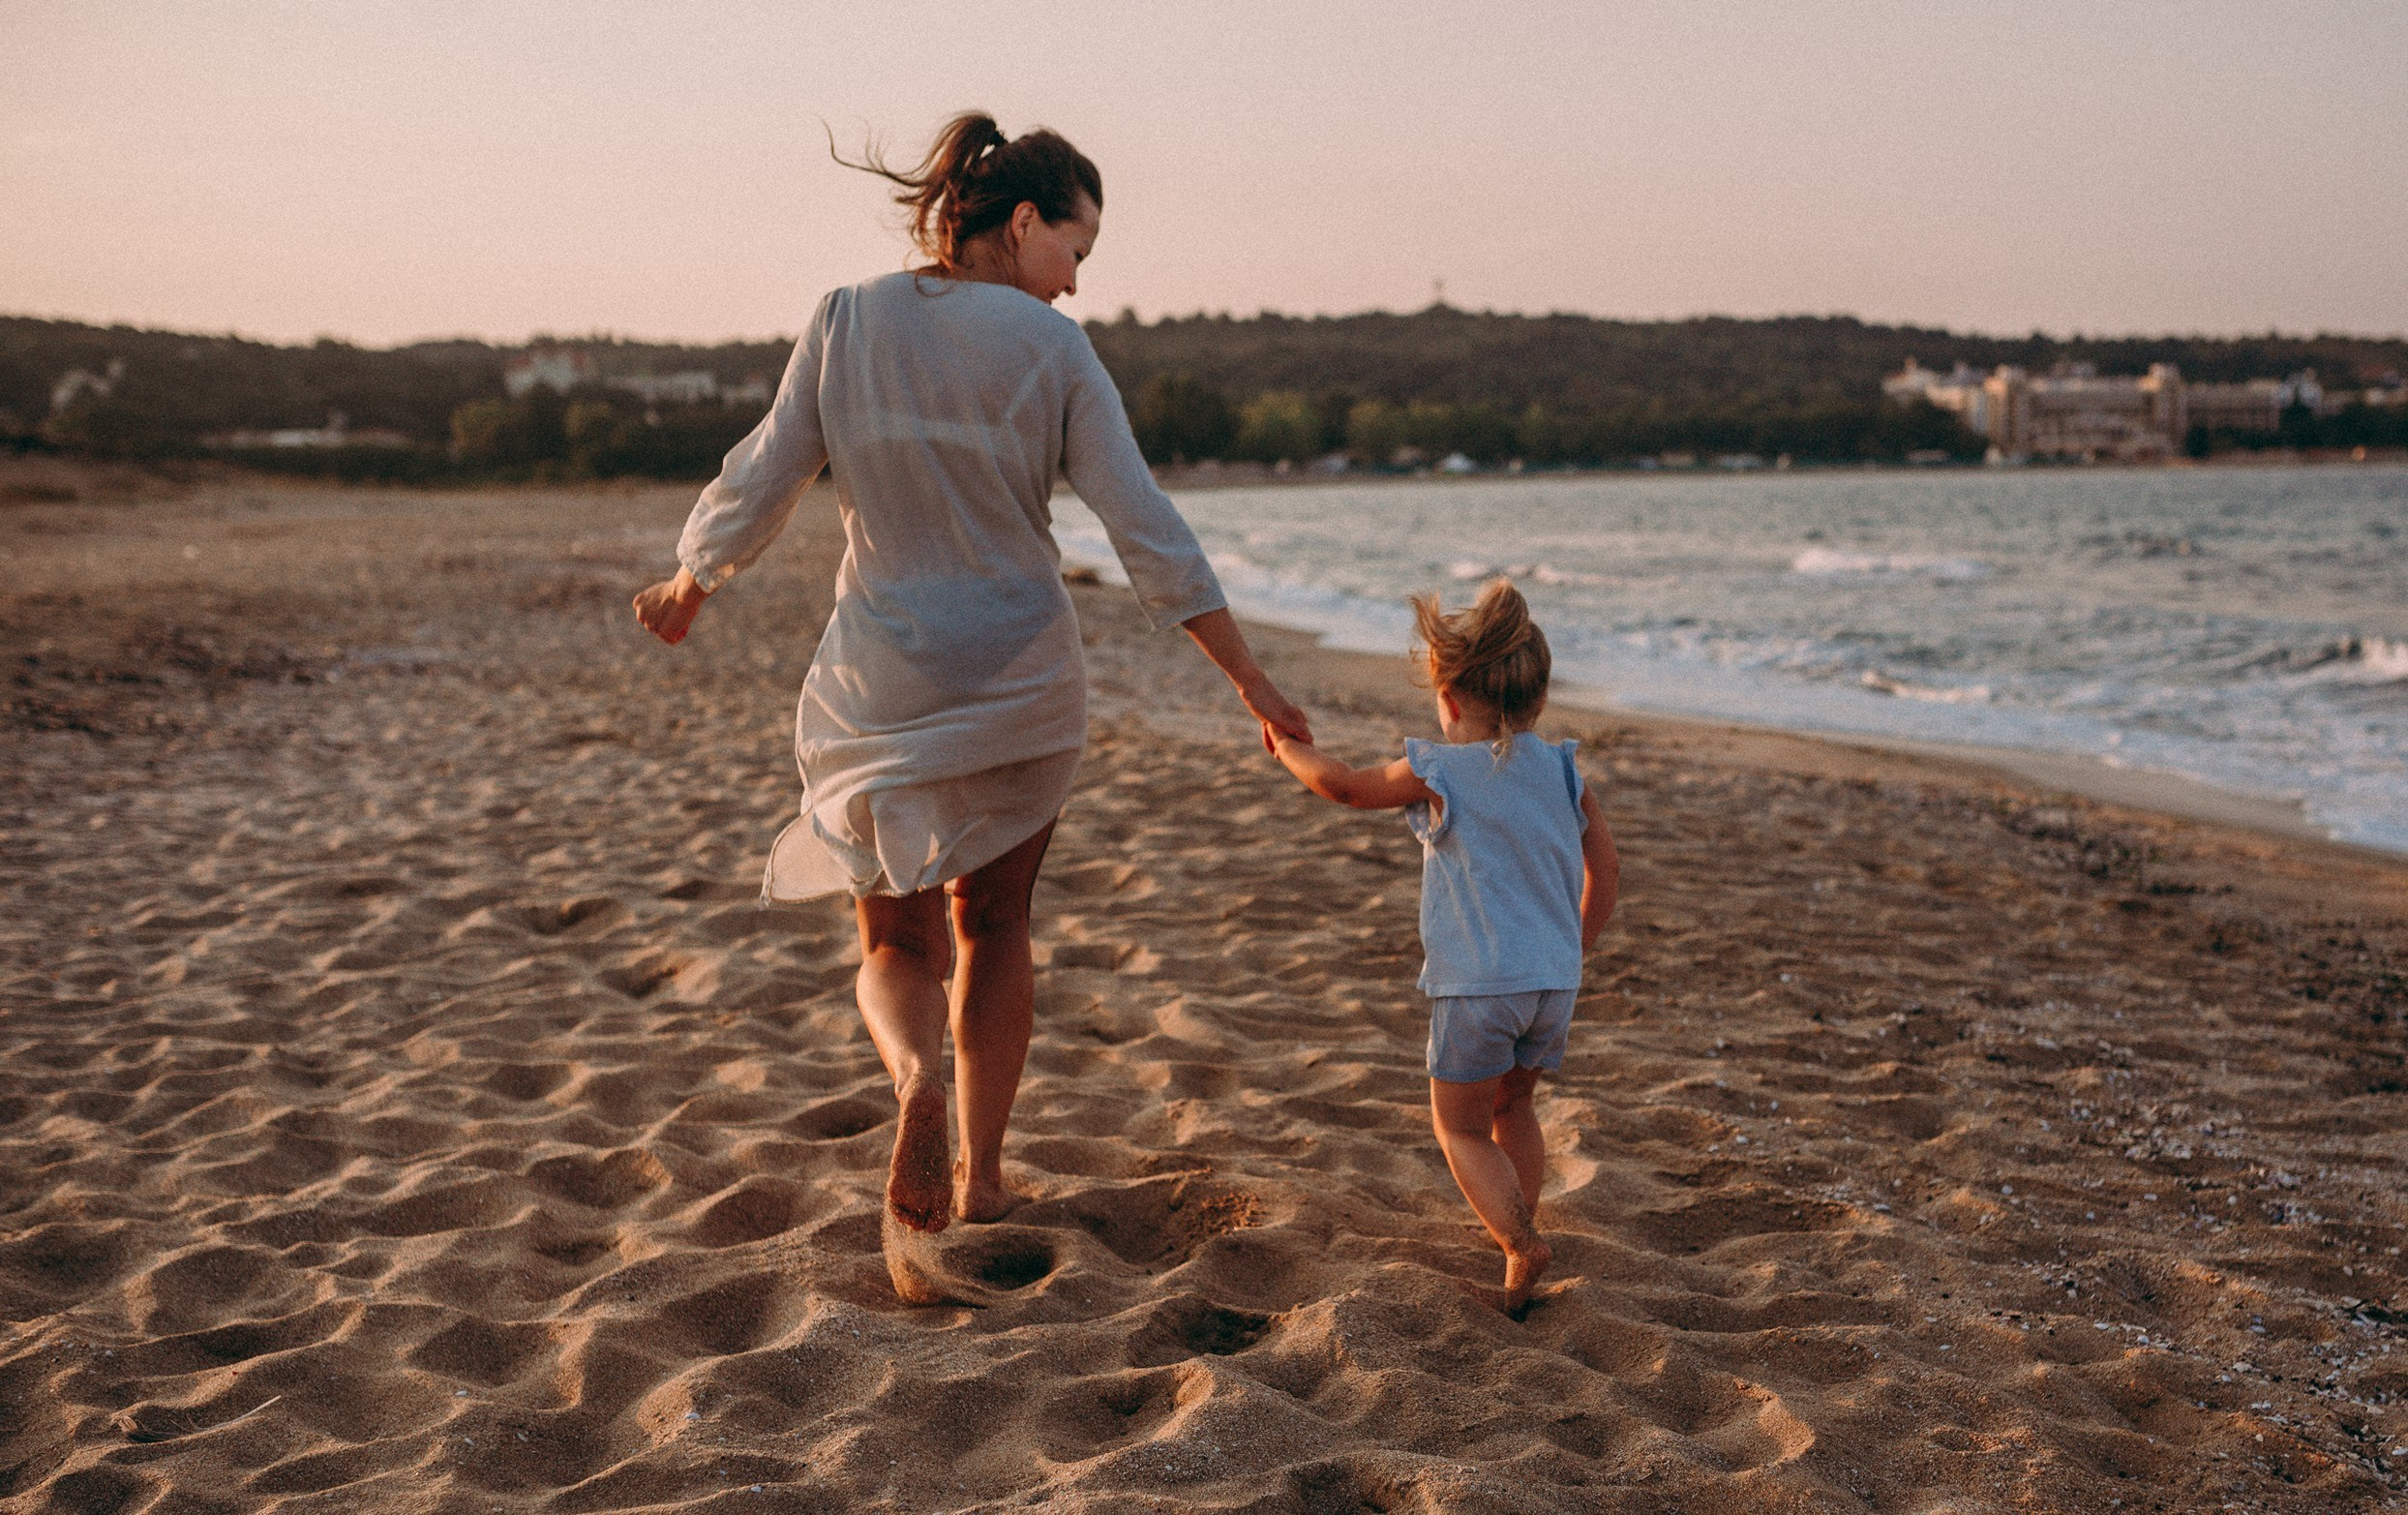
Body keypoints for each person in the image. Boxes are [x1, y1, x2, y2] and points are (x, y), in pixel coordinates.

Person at [632, 112, 1311, 1287]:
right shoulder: (1055, 355)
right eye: (1077, 254)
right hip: (1018, 673)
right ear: (1024, 221)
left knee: (890, 931)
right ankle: (983, 1173)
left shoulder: (846, 317)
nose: (1077, 284)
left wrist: (694, 578)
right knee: (994, 921)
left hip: (880, 670)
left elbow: (767, 468)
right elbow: (1142, 525)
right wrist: (1248, 677)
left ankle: (914, 1079)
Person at [1262, 579, 1615, 1310]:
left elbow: (1349, 788)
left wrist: (1290, 750)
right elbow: (1605, 868)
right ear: (1538, 700)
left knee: (1457, 1124)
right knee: (1513, 1107)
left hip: (1480, 984)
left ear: (1448, 699)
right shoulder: (1561, 768)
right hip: (1554, 982)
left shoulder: (1440, 769)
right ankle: (1517, 1223)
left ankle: (1521, 1242)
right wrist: (1572, 946)